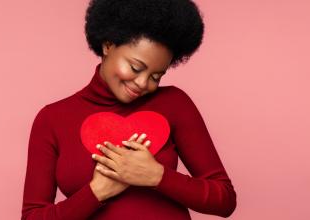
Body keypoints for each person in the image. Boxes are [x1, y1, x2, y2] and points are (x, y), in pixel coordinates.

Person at [21, 0, 237, 219]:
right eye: (136, 67)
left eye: (156, 76)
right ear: (108, 45)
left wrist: (157, 176)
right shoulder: (53, 119)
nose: (143, 83)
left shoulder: (175, 103)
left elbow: (225, 200)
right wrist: (97, 192)